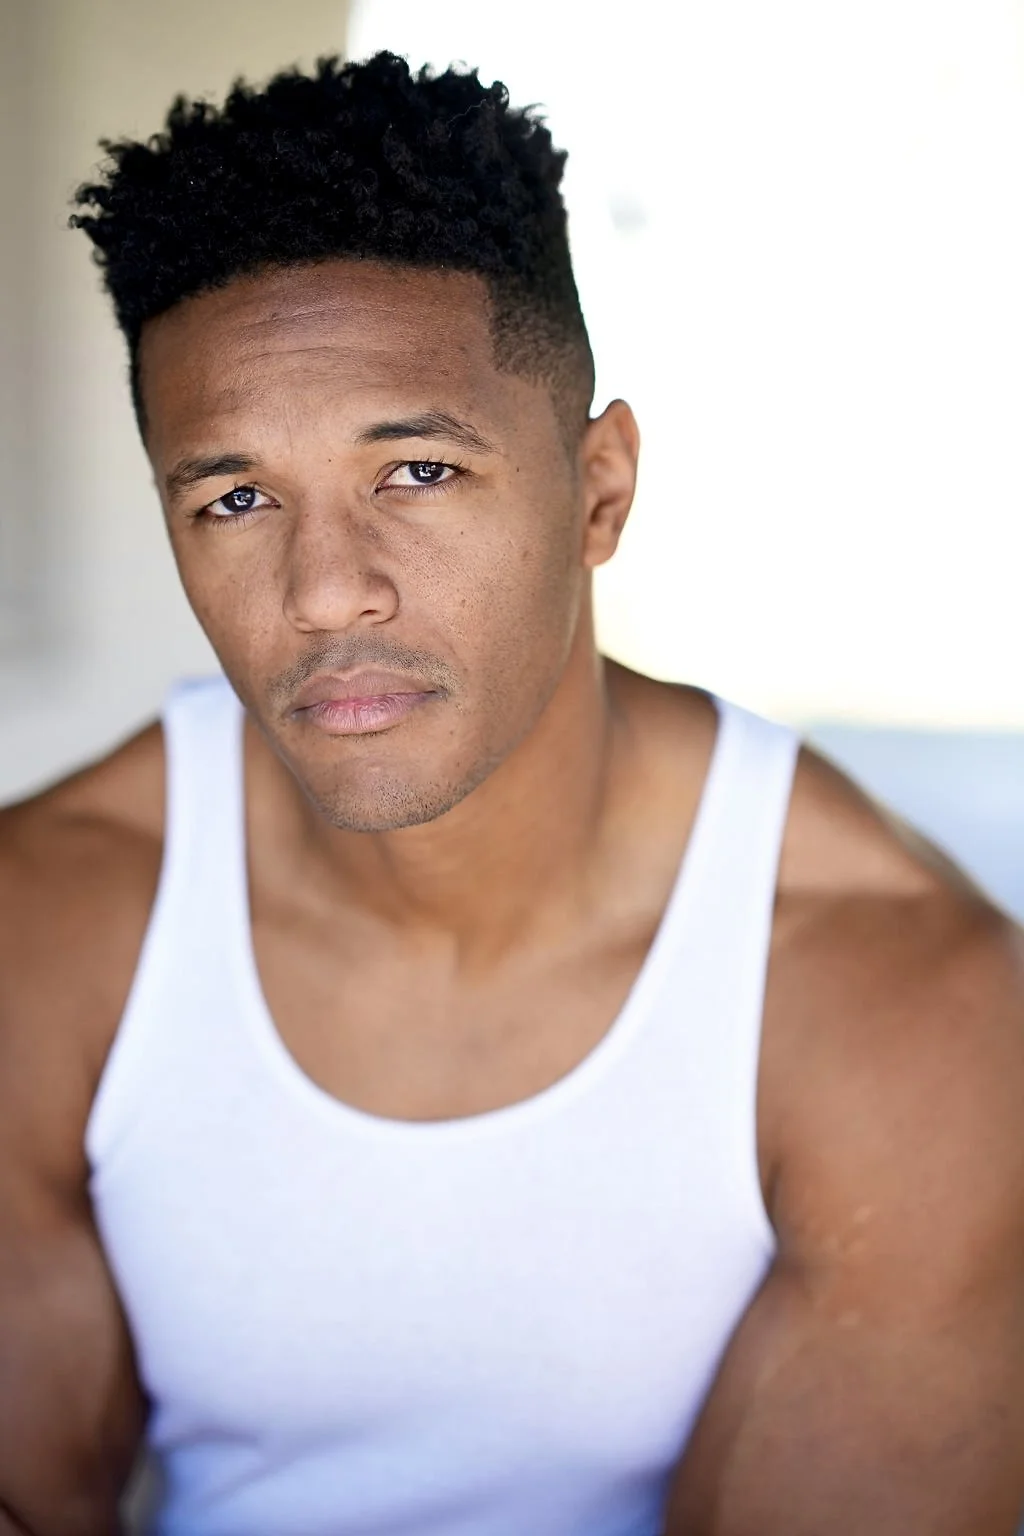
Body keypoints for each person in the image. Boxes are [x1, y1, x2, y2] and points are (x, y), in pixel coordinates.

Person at [0, 49, 1021, 1536]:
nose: (325, 592)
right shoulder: (53, 918)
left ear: (598, 490)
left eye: (415, 471)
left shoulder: (906, 1009)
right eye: (234, 498)